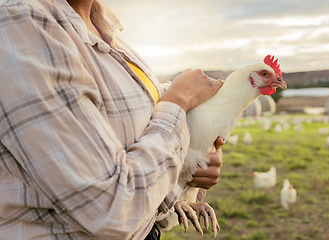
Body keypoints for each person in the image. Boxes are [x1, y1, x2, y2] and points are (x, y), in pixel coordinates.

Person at [0, 0, 224, 239]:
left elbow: (135, 130)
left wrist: (187, 163)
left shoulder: (101, 25)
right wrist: (179, 100)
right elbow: (114, 209)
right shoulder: (21, 21)